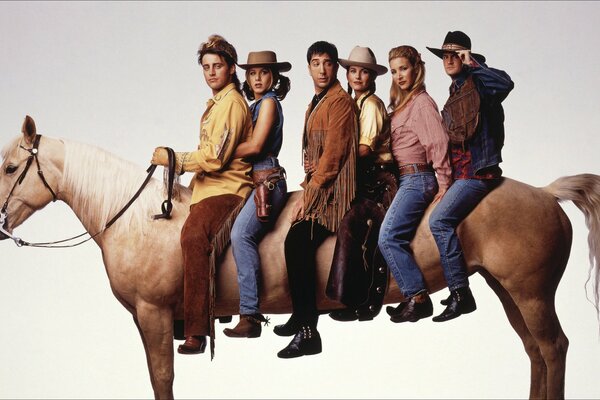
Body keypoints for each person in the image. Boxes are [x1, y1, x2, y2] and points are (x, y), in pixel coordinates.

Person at [151, 34, 253, 357]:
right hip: (207, 189)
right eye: (206, 67)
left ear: (231, 68)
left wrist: (174, 159)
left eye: (217, 66)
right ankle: (184, 313)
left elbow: (215, 158)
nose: (211, 72)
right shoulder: (215, 105)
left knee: (194, 236)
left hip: (229, 190)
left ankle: (197, 330)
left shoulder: (232, 104)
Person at [274, 41, 357, 358]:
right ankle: (300, 311)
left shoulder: (340, 103)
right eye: (316, 63)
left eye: (328, 63)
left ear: (336, 67)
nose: (322, 69)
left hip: (336, 193)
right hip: (321, 184)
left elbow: (333, 160)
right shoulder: (316, 102)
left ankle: (309, 331)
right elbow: (317, 152)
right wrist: (309, 169)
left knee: (297, 241)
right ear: (308, 67)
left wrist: (307, 197)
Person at [426, 31, 514, 322]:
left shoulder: (482, 83)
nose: (450, 60)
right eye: (446, 56)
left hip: (478, 172)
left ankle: (461, 293)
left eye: (457, 54)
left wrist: (473, 63)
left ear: (467, 55)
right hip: (460, 174)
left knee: (439, 221)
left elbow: (506, 83)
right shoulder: (454, 91)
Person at [378, 45, 452, 323]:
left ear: (416, 68)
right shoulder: (402, 104)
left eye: (404, 69)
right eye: (395, 71)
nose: (399, 75)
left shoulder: (421, 103)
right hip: (403, 178)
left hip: (418, 178)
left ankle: (418, 297)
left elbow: (438, 142)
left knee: (388, 237)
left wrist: (444, 184)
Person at [325, 46, 398, 322]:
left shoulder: (371, 105)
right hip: (361, 176)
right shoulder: (353, 103)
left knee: (352, 223)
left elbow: (365, 149)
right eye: (353, 71)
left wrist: (332, 163)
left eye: (363, 72)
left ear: (371, 77)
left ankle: (355, 297)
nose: (357, 76)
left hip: (379, 179)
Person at [223, 51, 291, 338]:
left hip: (268, 180)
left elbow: (255, 146)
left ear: (273, 77)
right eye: (252, 73)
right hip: (251, 180)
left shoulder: (269, 103)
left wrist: (219, 152)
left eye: (263, 73)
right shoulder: (254, 105)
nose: (258, 78)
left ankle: (249, 314)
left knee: (241, 235)